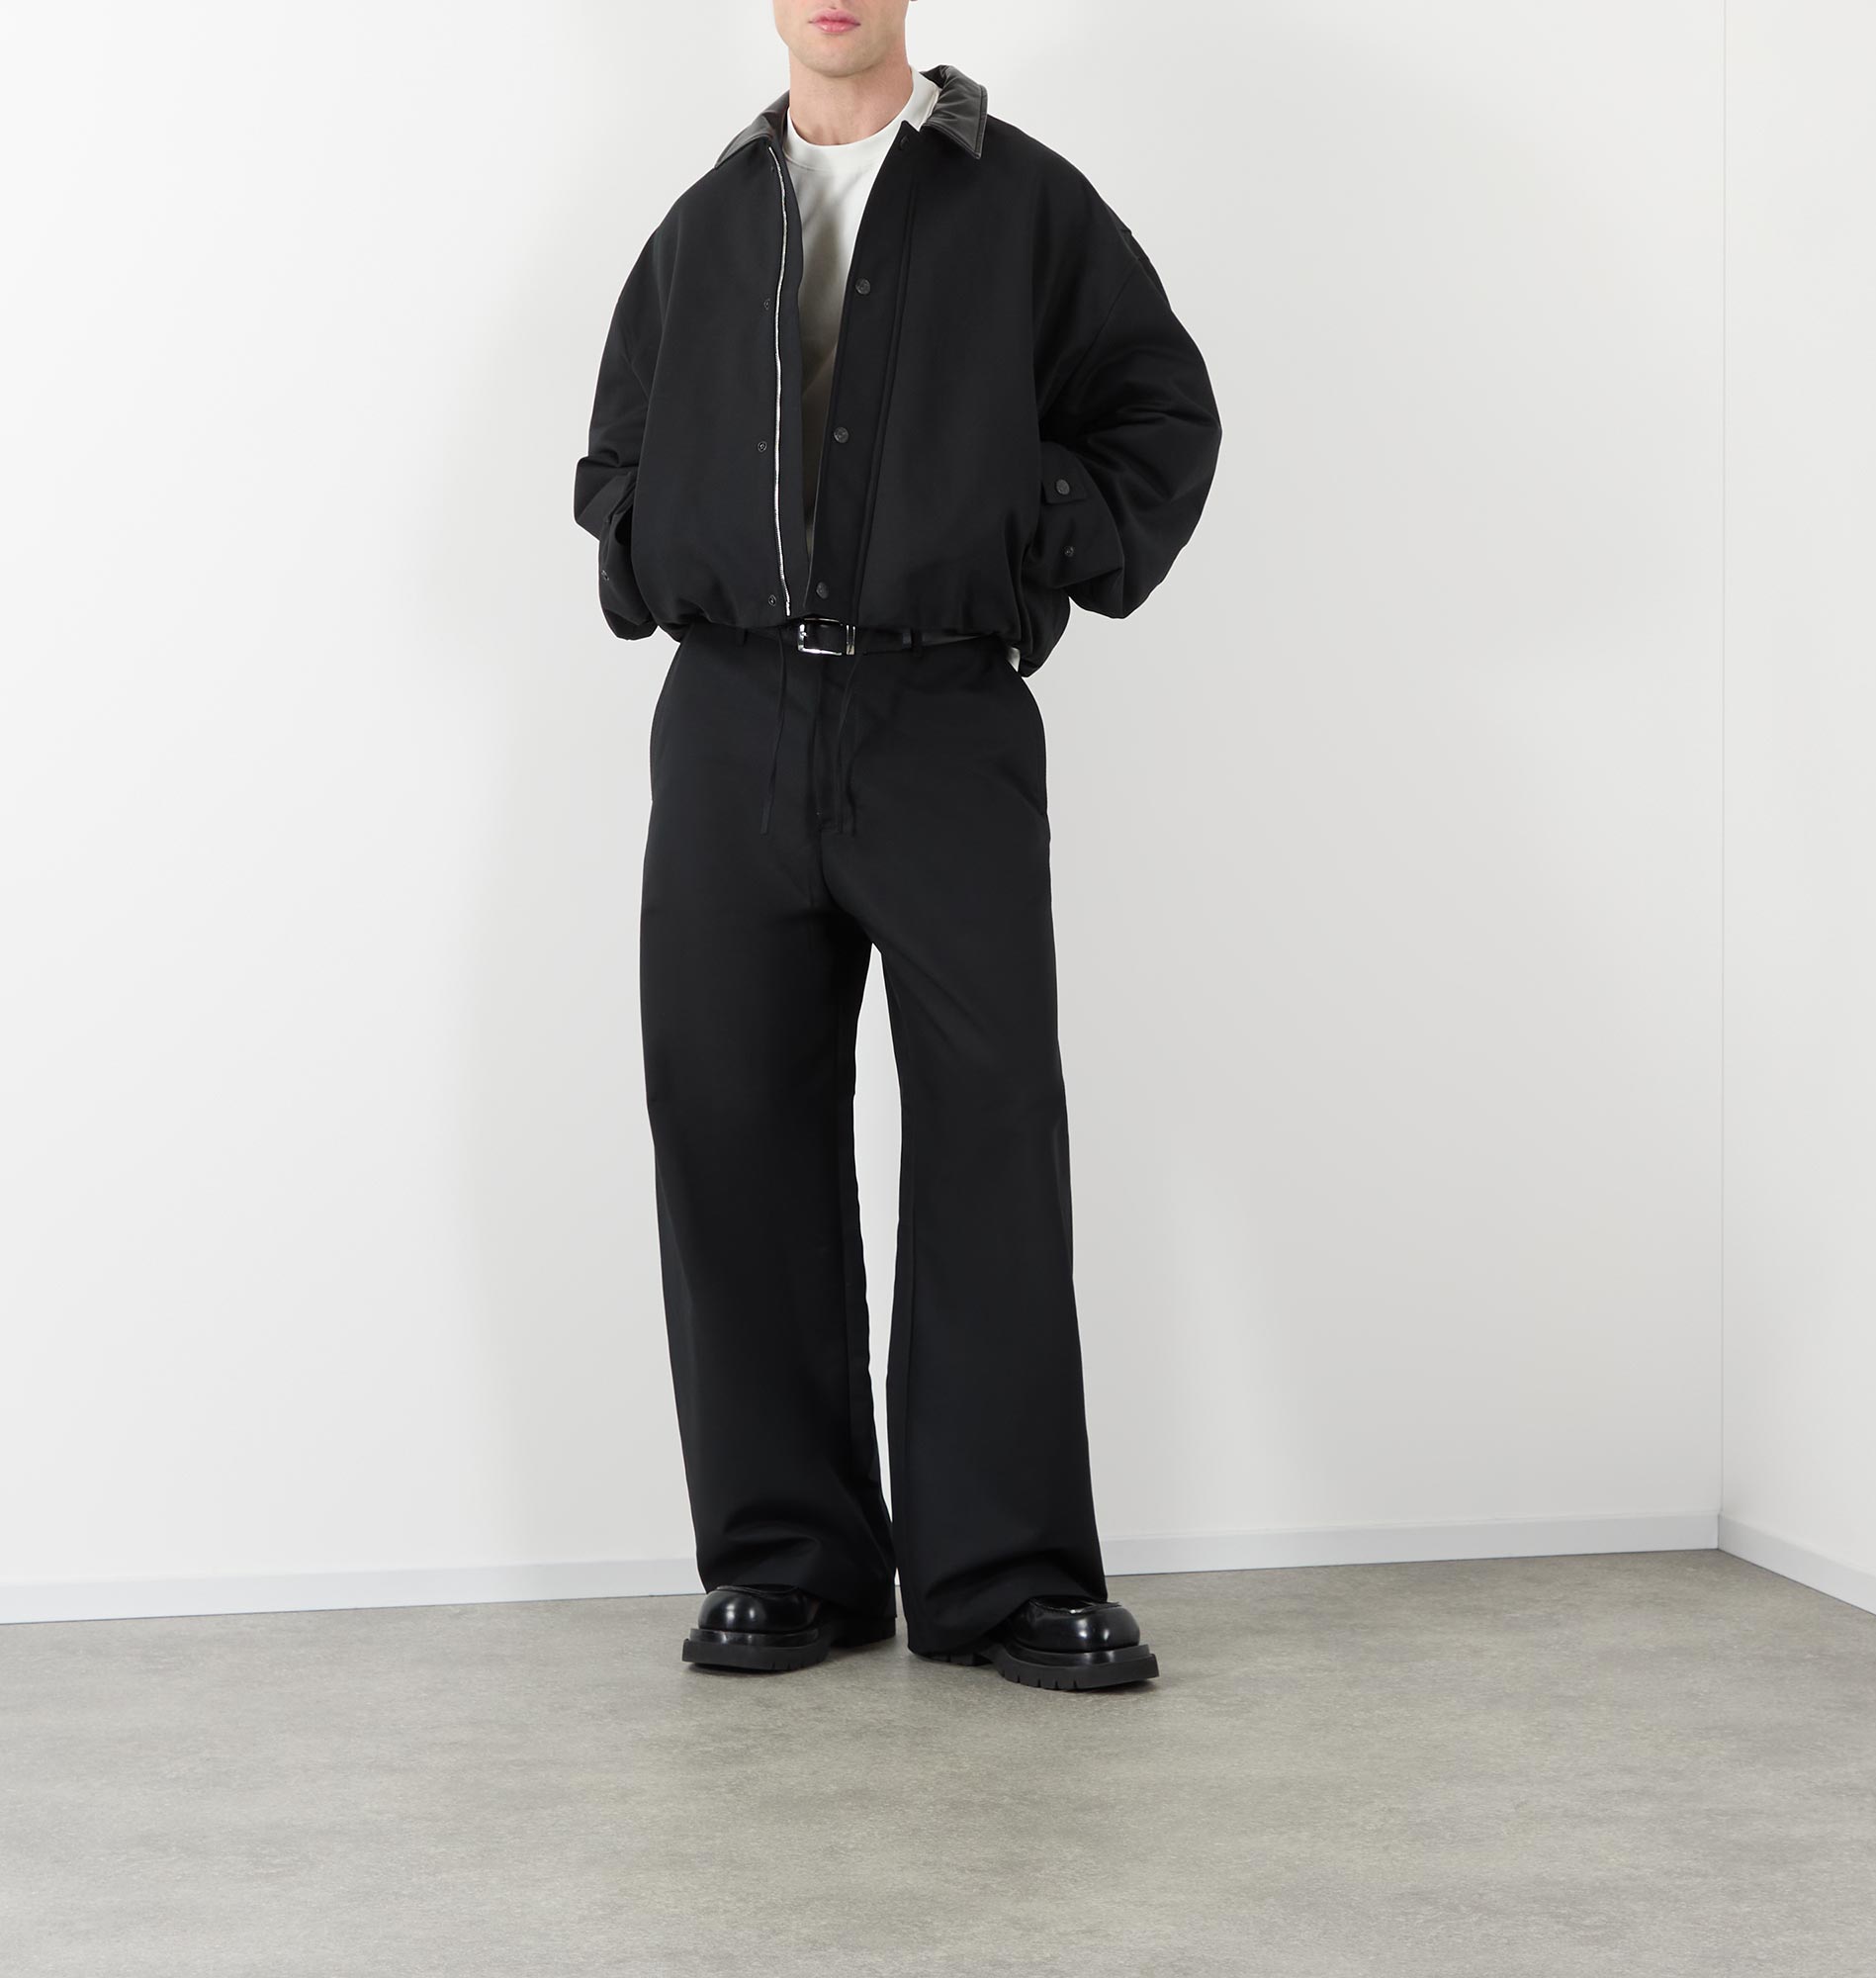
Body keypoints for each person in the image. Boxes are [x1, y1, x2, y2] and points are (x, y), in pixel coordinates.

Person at [574, 0, 1220, 1692]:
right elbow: (612, 454)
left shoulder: (1025, 204)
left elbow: (1161, 414)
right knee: (730, 1124)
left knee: (992, 1123)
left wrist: (1025, 529)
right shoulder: (706, 221)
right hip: (731, 722)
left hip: (943, 718)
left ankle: (1007, 1576)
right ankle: (787, 1563)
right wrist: (651, 538)